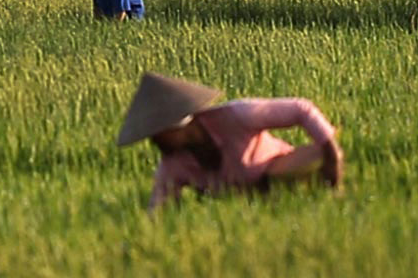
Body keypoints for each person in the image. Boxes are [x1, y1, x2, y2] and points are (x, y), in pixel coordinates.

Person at [116, 72, 344, 211]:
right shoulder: (173, 165)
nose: (155, 141)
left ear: (180, 125)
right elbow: (159, 209)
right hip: (239, 201)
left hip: (279, 170)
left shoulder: (236, 116)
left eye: (160, 133)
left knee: (291, 168)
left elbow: (300, 108)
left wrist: (331, 156)